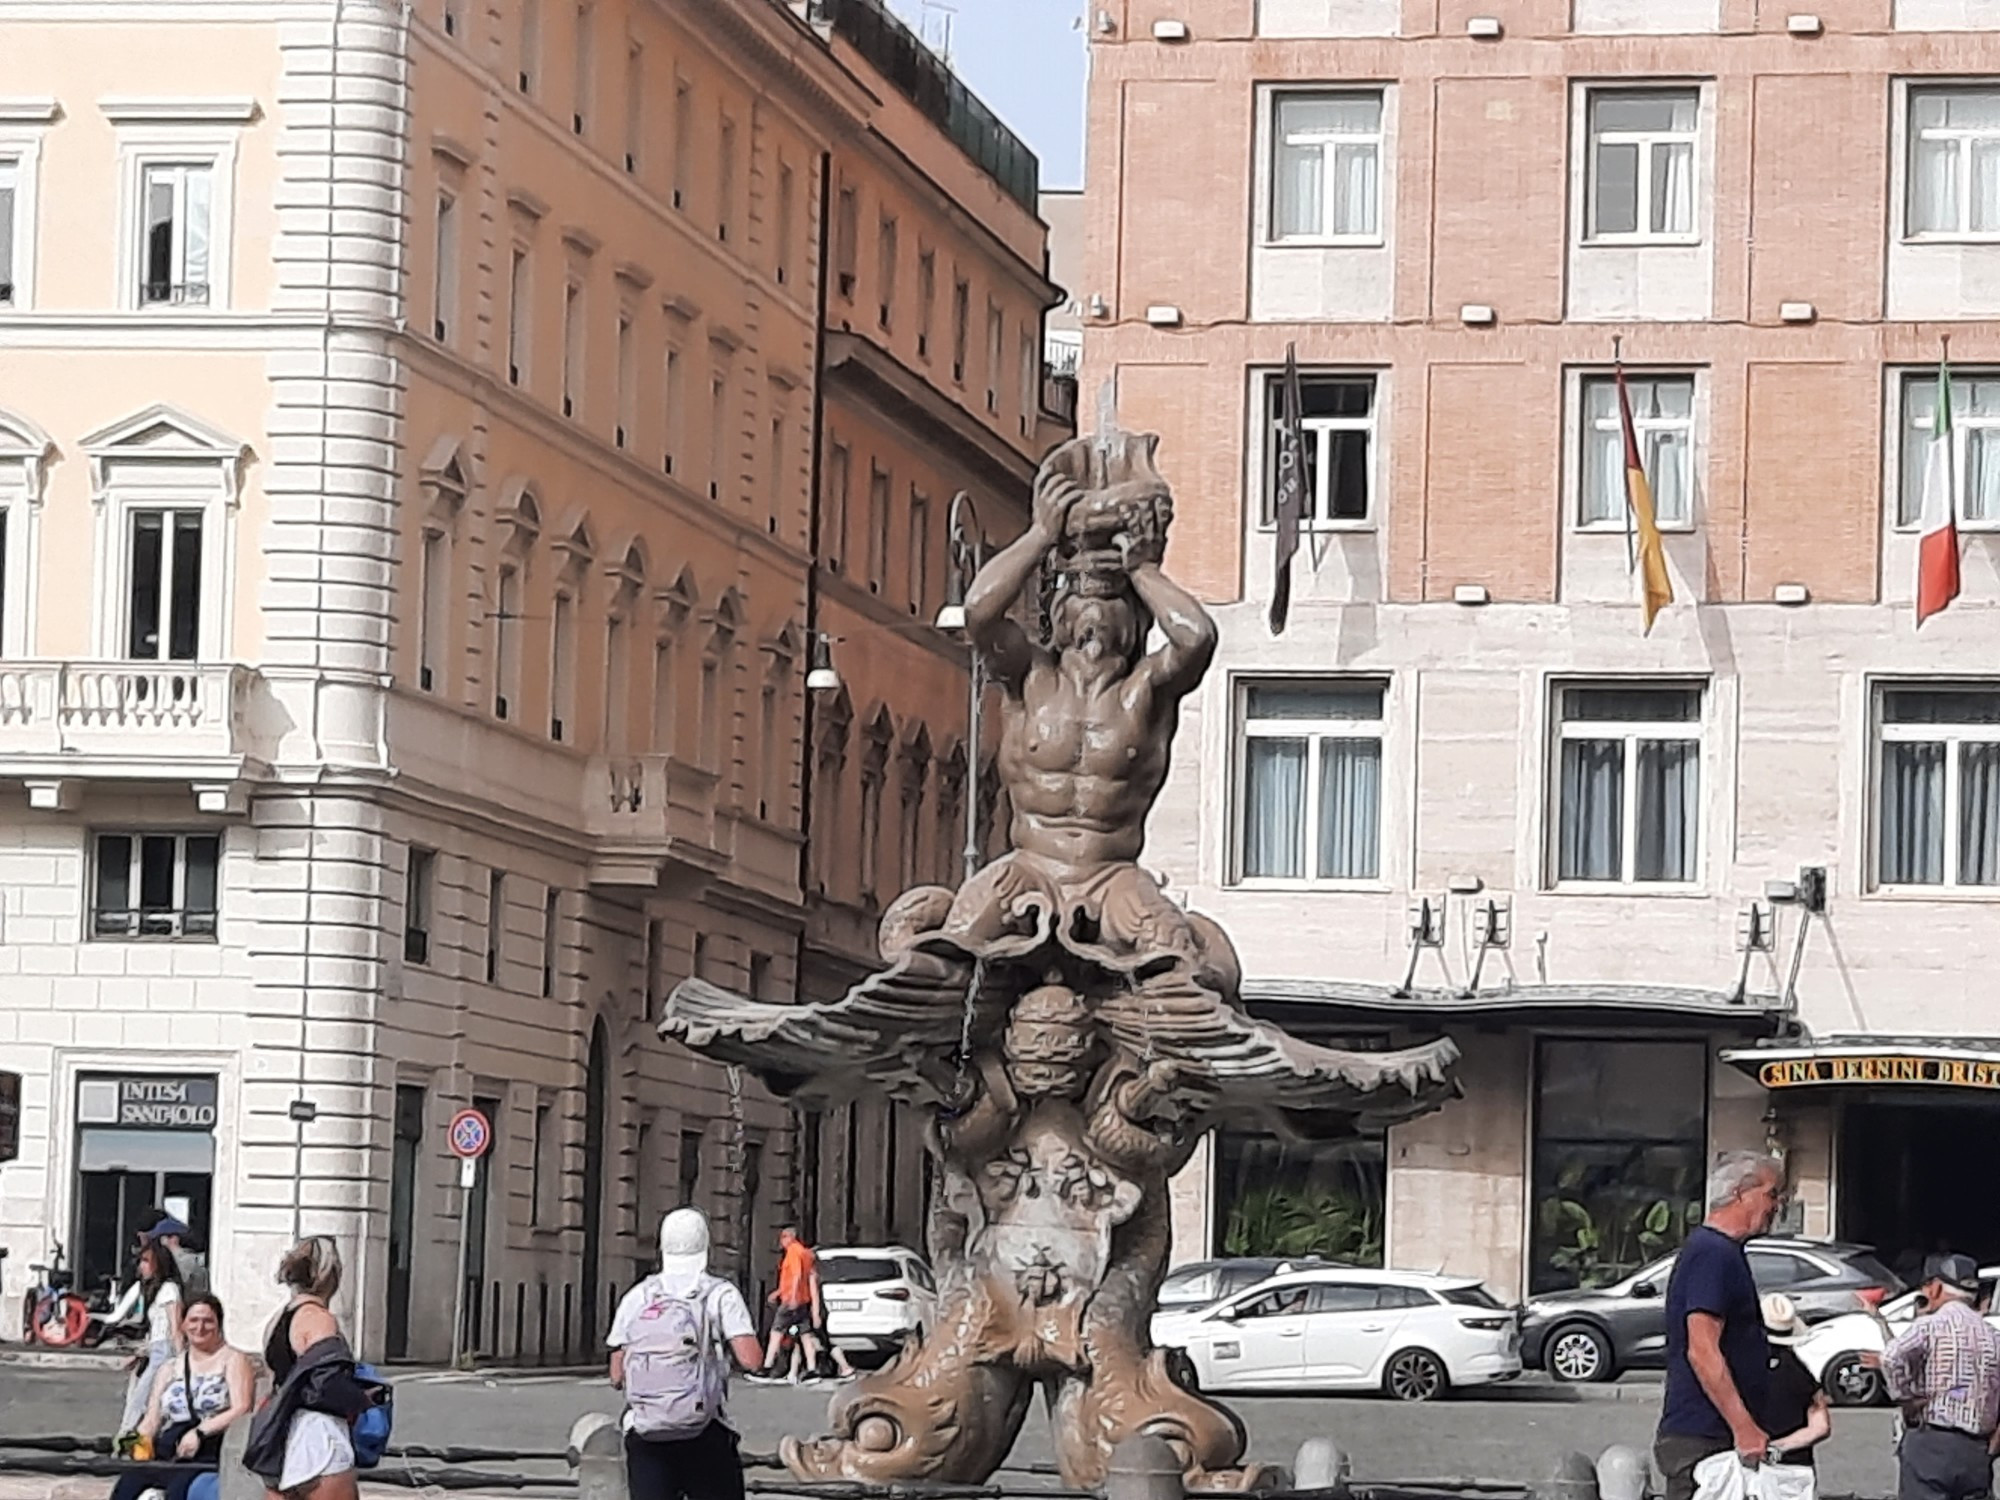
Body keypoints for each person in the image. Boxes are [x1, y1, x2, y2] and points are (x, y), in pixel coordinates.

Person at [1654, 1151, 1787, 1500]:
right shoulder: (1712, 1253)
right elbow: (1702, 1348)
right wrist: (1743, 1428)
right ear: (1741, 1193)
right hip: (1705, 1439)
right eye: (1772, 1194)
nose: (1776, 1206)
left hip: (1713, 1436)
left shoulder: (1722, 1252)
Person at [608, 1208, 764, 1500]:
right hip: (703, 1431)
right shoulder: (719, 1293)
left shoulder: (639, 1295)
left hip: (645, 1432)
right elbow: (751, 1360)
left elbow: (617, 1376)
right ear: (706, 1246)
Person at [243, 1237, 376, 1500]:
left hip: (280, 1437)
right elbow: (325, 1383)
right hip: (319, 1438)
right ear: (331, 1275)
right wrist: (361, 1398)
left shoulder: (276, 1321)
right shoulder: (318, 1319)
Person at [1874, 1252, 2000, 1500]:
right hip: (1977, 1449)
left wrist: (1906, 1398)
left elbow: (1890, 1357)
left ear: (1937, 1288)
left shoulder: (1931, 1325)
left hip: (1932, 1442)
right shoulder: (1993, 1336)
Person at [111, 1294, 253, 1500]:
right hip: (173, 1444)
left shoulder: (233, 1359)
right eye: (194, 1320)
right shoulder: (169, 1368)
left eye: (208, 1321)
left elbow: (242, 1407)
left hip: (212, 1443)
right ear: (184, 1324)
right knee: (127, 1486)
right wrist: (137, 1441)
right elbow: (152, 1418)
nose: (200, 1327)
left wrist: (201, 1432)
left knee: (178, 1491)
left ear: (218, 1324)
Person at [1758, 1293, 1832, 1473]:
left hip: (1750, 1461)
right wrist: (1779, 1446)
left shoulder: (1741, 1368)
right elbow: (1820, 1427)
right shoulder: (1800, 1372)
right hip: (1795, 1466)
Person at [118, 1241, 184, 1439]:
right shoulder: (157, 1291)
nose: (141, 1267)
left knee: (141, 1398)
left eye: (146, 1261)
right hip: (155, 1350)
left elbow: (175, 1327)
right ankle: (132, 1437)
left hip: (164, 1353)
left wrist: (182, 1360)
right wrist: (141, 1352)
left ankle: (127, 1438)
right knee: (139, 1396)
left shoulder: (169, 1290)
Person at [759, 1229, 831, 1383]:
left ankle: (766, 1367)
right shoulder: (806, 1254)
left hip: (792, 1301)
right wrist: (778, 1292)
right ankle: (812, 1370)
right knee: (805, 1334)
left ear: (789, 1237)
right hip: (803, 1301)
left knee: (776, 1331)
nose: (781, 1242)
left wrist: (791, 1297)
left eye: (783, 1238)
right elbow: (803, 1278)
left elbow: (797, 1276)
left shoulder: (793, 1252)